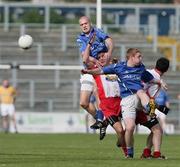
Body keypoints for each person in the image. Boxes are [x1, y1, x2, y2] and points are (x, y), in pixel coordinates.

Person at [82, 48, 166, 158]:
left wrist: (161, 82)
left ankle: (149, 108)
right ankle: (129, 153)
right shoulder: (119, 67)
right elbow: (100, 71)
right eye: (139, 56)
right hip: (126, 101)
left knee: (140, 91)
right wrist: (89, 72)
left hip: (138, 99)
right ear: (131, 57)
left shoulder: (141, 68)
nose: (141, 58)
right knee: (130, 127)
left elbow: (150, 79)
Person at [76, 16, 114, 129]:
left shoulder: (98, 32)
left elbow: (110, 41)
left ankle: (100, 120)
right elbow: (85, 57)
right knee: (83, 103)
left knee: (98, 93)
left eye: (85, 23)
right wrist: (95, 60)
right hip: (89, 71)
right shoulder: (80, 38)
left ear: (90, 23)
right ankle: (100, 119)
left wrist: (109, 53)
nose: (84, 26)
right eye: (81, 24)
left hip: (101, 71)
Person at [140, 57, 170, 159]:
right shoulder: (158, 79)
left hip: (138, 103)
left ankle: (146, 152)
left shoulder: (148, 72)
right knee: (158, 131)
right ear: (166, 69)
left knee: (155, 130)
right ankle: (157, 154)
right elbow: (149, 96)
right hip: (144, 107)